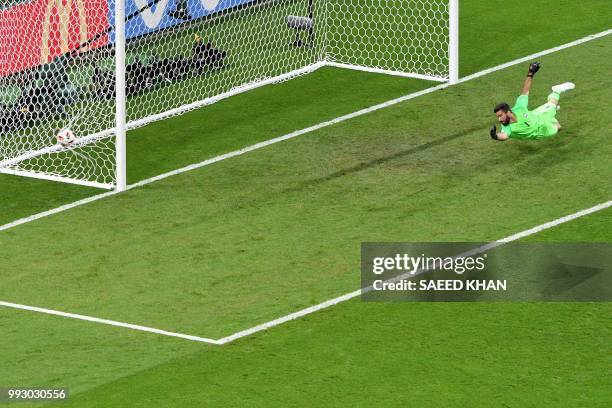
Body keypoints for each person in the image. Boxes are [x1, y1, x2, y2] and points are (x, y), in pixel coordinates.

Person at [490, 62, 575, 141]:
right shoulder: (507, 128)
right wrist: (495, 136)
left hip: (537, 115)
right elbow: (504, 136)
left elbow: (525, 91)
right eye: (498, 117)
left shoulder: (519, 107)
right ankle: (552, 113)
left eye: (501, 115)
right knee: (558, 127)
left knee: (552, 103)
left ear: (508, 112)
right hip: (540, 131)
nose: (499, 119)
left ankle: (556, 90)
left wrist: (531, 73)